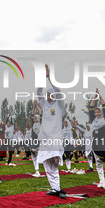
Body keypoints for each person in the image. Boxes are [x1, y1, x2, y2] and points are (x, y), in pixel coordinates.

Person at [37, 64, 66, 199]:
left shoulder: (59, 105)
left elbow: (59, 91)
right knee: (47, 166)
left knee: (55, 162)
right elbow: (38, 92)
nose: (48, 96)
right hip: (45, 139)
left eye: (51, 94)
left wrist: (49, 77)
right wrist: (42, 78)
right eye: (47, 94)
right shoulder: (44, 105)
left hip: (55, 139)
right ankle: (56, 189)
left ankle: (57, 188)